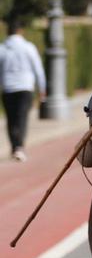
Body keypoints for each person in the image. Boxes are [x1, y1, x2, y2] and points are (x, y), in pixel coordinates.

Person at [0, 16, 46, 162]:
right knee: (22, 117)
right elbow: (38, 69)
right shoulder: (28, 47)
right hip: (25, 87)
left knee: (11, 119)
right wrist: (42, 88)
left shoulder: (2, 48)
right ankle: (19, 147)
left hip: (8, 87)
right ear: (21, 31)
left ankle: (15, 146)